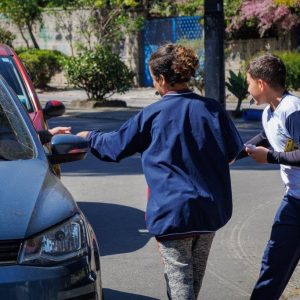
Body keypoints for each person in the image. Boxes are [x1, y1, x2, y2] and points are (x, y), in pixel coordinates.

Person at [77, 43, 243, 299]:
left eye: (154, 79)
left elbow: (116, 146)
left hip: (173, 213)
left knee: (180, 286)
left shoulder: (152, 114)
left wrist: (89, 137)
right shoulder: (213, 110)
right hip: (210, 212)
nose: (155, 85)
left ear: (162, 78)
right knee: (191, 284)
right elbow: (232, 154)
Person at [239, 54, 300, 299]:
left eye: (248, 83)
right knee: (274, 262)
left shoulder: (292, 109)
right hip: (295, 200)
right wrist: (230, 156)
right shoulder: (270, 112)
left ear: (261, 84)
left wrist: (271, 158)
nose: (247, 89)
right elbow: (264, 138)